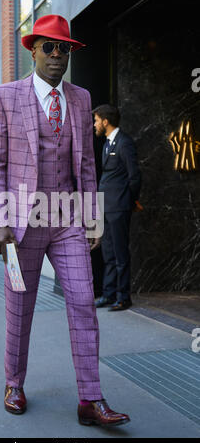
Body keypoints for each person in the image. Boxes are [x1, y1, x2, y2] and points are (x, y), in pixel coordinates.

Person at [0, 14, 130, 427]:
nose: (56, 55)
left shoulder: (81, 99)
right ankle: (14, 382)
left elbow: (86, 167)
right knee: (20, 306)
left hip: (66, 220)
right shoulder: (4, 96)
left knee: (84, 302)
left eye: (64, 47)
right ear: (33, 50)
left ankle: (90, 399)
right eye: (49, 46)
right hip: (20, 221)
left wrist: (91, 221)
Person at [94, 105, 142, 311]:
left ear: (106, 121)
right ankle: (108, 294)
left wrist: (129, 202)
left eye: (96, 120)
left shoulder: (124, 143)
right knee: (109, 253)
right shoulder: (106, 144)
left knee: (120, 254)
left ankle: (123, 297)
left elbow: (134, 177)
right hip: (106, 207)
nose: (94, 124)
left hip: (119, 207)